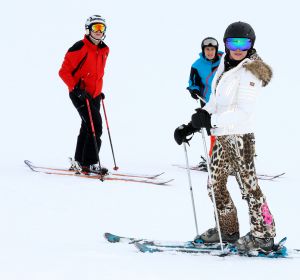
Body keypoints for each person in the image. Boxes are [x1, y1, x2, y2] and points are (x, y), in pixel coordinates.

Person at [174, 21, 275, 253]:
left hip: (240, 137)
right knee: (215, 184)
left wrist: (211, 121)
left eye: (244, 43)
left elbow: (243, 111)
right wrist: (194, 122)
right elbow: (216, 101)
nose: (238, 48)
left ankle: (264, 235)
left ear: (251, 45)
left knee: (249, 188)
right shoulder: (225, 63)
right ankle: (228, 230)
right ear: (226, 44)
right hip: (221, 136)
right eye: (233, 42)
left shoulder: (251, 71)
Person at [59, 15, 109, 175]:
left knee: (87, 126)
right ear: (88, 29)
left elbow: (96, 75)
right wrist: (76, 89)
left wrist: (98, 92)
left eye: (101, 28)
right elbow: (63, 72)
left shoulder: (103, 50)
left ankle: (80, 161)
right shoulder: (79, 47)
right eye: (95, 28)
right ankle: (91, 162)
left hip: (93, 96)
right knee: (96, 126)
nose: (98, 32)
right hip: (79, 94)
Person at [186, 37, 223, 169]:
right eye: (207, 49)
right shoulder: (197, 65)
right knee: (213, 130)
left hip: (224, 100)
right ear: (203, 50)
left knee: (229, 128)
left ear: (216, 50)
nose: (210, 52)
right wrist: (194, 90)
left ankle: (232, 158)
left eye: (212, 49)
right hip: (207, 102)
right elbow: (192, 82)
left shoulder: (224, 60)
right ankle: (214, 158)